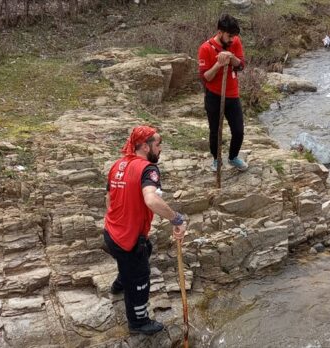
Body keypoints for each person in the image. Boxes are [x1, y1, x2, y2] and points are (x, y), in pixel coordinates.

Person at [104, 125, 187, 335]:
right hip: (128, 240)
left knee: (144, 249)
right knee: (140, 278)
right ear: (144, 146)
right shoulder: (148, 169)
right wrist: (176, 219)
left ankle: (121, 282)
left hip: (111, 233)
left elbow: (108, 199)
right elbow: (151, 199)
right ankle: (139, 322)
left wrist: (119, 221)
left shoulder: (117, 165)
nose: (160, 149)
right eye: (157, 144)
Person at [198, 14, 248, 172]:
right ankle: (216, 159)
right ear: (220, 32)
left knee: (238, 130)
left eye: (234, 36)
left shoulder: (235, 42)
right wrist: (219, 64)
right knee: (215, 130)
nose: (232, 39)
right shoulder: (205, 48)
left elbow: (241, 66)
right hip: (214, 95)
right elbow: (206, 77)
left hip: (232, 94)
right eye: (229, 35)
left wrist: (232, 58)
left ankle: (233, 157)